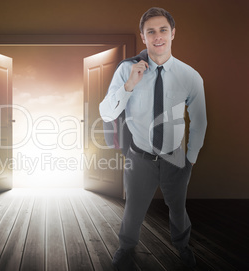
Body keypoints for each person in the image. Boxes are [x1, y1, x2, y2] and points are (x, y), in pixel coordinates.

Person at [99, 7, 207, 270]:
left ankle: (182, 246)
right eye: (151, 31)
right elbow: (105, 113)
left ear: (172, 34)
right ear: (143, 37)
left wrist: (191, 157)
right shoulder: (127, 70)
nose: (157, 36)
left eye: (163, 30)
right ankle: (126, 249)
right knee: (133, 210)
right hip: (140, 156)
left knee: (178, 209)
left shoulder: (190, 76)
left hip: (176, 157)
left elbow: (200, 120)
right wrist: (129, 85)